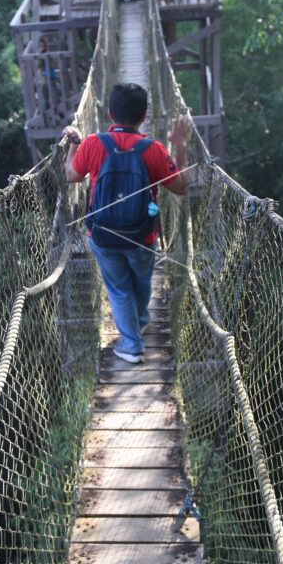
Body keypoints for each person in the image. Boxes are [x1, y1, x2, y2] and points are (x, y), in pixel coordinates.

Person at [63, 83, 191, 363]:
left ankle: (132, 345)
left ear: (110, 114)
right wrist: (180, 146)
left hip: (102, 235)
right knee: (142, 282)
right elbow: (181, 187)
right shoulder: (154, 149)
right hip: (142, 236)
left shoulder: (93, 143)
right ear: (143, 117)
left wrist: (74, 145)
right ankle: (139, 324)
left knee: (119, 289)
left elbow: (71, 176)